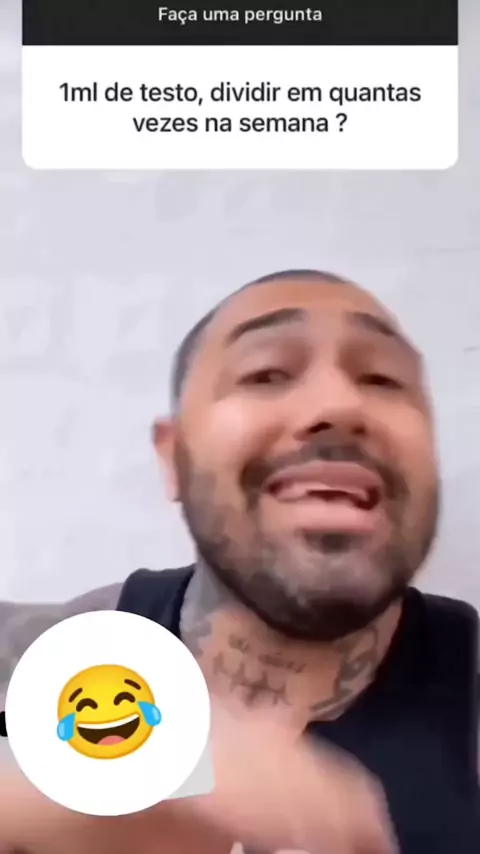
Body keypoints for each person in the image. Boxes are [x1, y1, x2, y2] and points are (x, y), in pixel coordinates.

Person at [0, 269, 479, 854]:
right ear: (173, 457)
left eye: (383, 378)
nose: (338, 404)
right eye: (266, 373)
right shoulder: (23, 660)